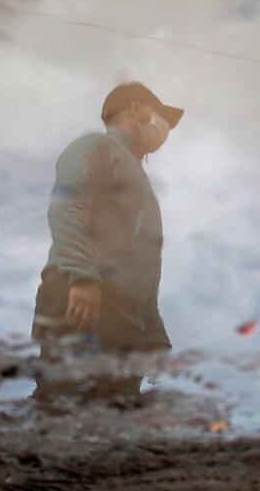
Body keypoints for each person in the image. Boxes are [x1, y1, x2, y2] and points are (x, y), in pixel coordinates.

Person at [31, 82, 183, 405]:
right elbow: (68, 205)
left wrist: (155, 339)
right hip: (83, 306)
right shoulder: (96, 147)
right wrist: (82, 275)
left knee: (112, 432)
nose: (164, 128)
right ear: (136, 108)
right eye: (161, 117)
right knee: (64, 416)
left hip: (127, 329)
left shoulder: (144, 186)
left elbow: (146, 269)